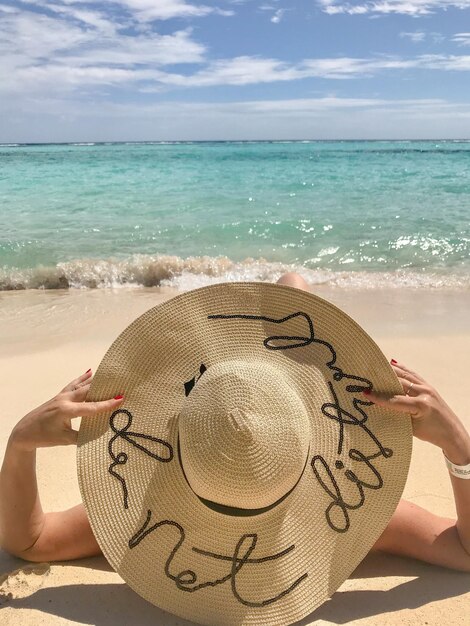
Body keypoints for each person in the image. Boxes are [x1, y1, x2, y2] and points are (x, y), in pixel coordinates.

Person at [1, 272, 469, 574]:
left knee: (293, 284)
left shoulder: (141, 520)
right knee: (294, 283)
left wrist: (21, 444)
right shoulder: (356, 517)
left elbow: (30, 540)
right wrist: (458, 448)